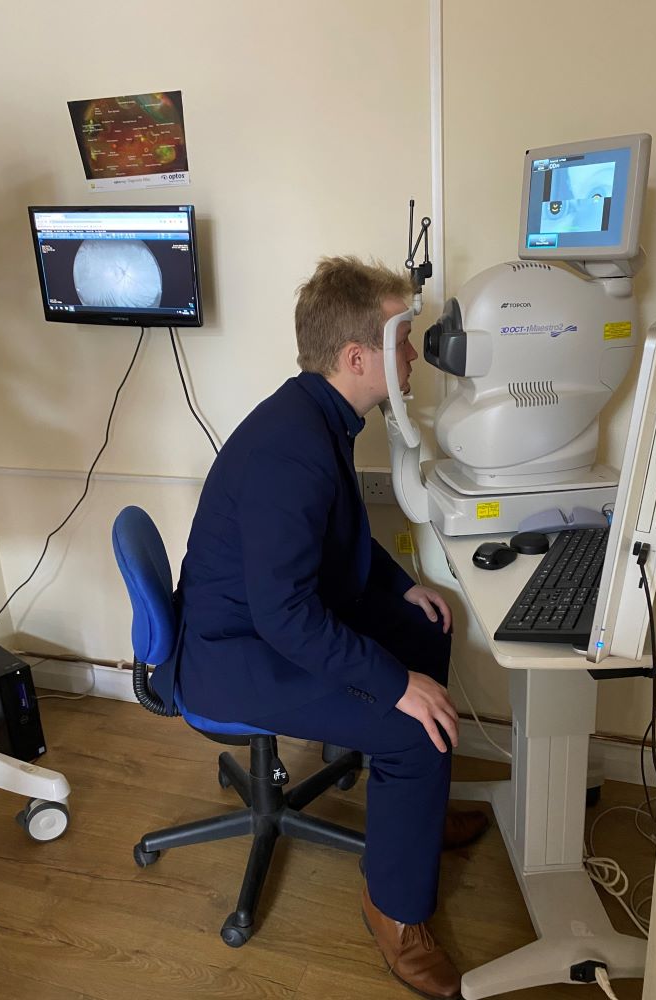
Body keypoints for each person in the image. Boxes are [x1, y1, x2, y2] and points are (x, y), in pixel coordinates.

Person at [174, 257, 488, 1000]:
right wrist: (391, 687)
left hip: (272, 621)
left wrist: (404, 587)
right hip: (236, 654)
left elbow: (337, 538)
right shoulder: (296, 447)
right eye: (404, 340)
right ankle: (396, 917)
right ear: (358, 359)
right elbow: (285, 615)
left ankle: (410, 818)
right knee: (412, 725)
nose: (413, 355)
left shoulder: (317, 414)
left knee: (425, 635)